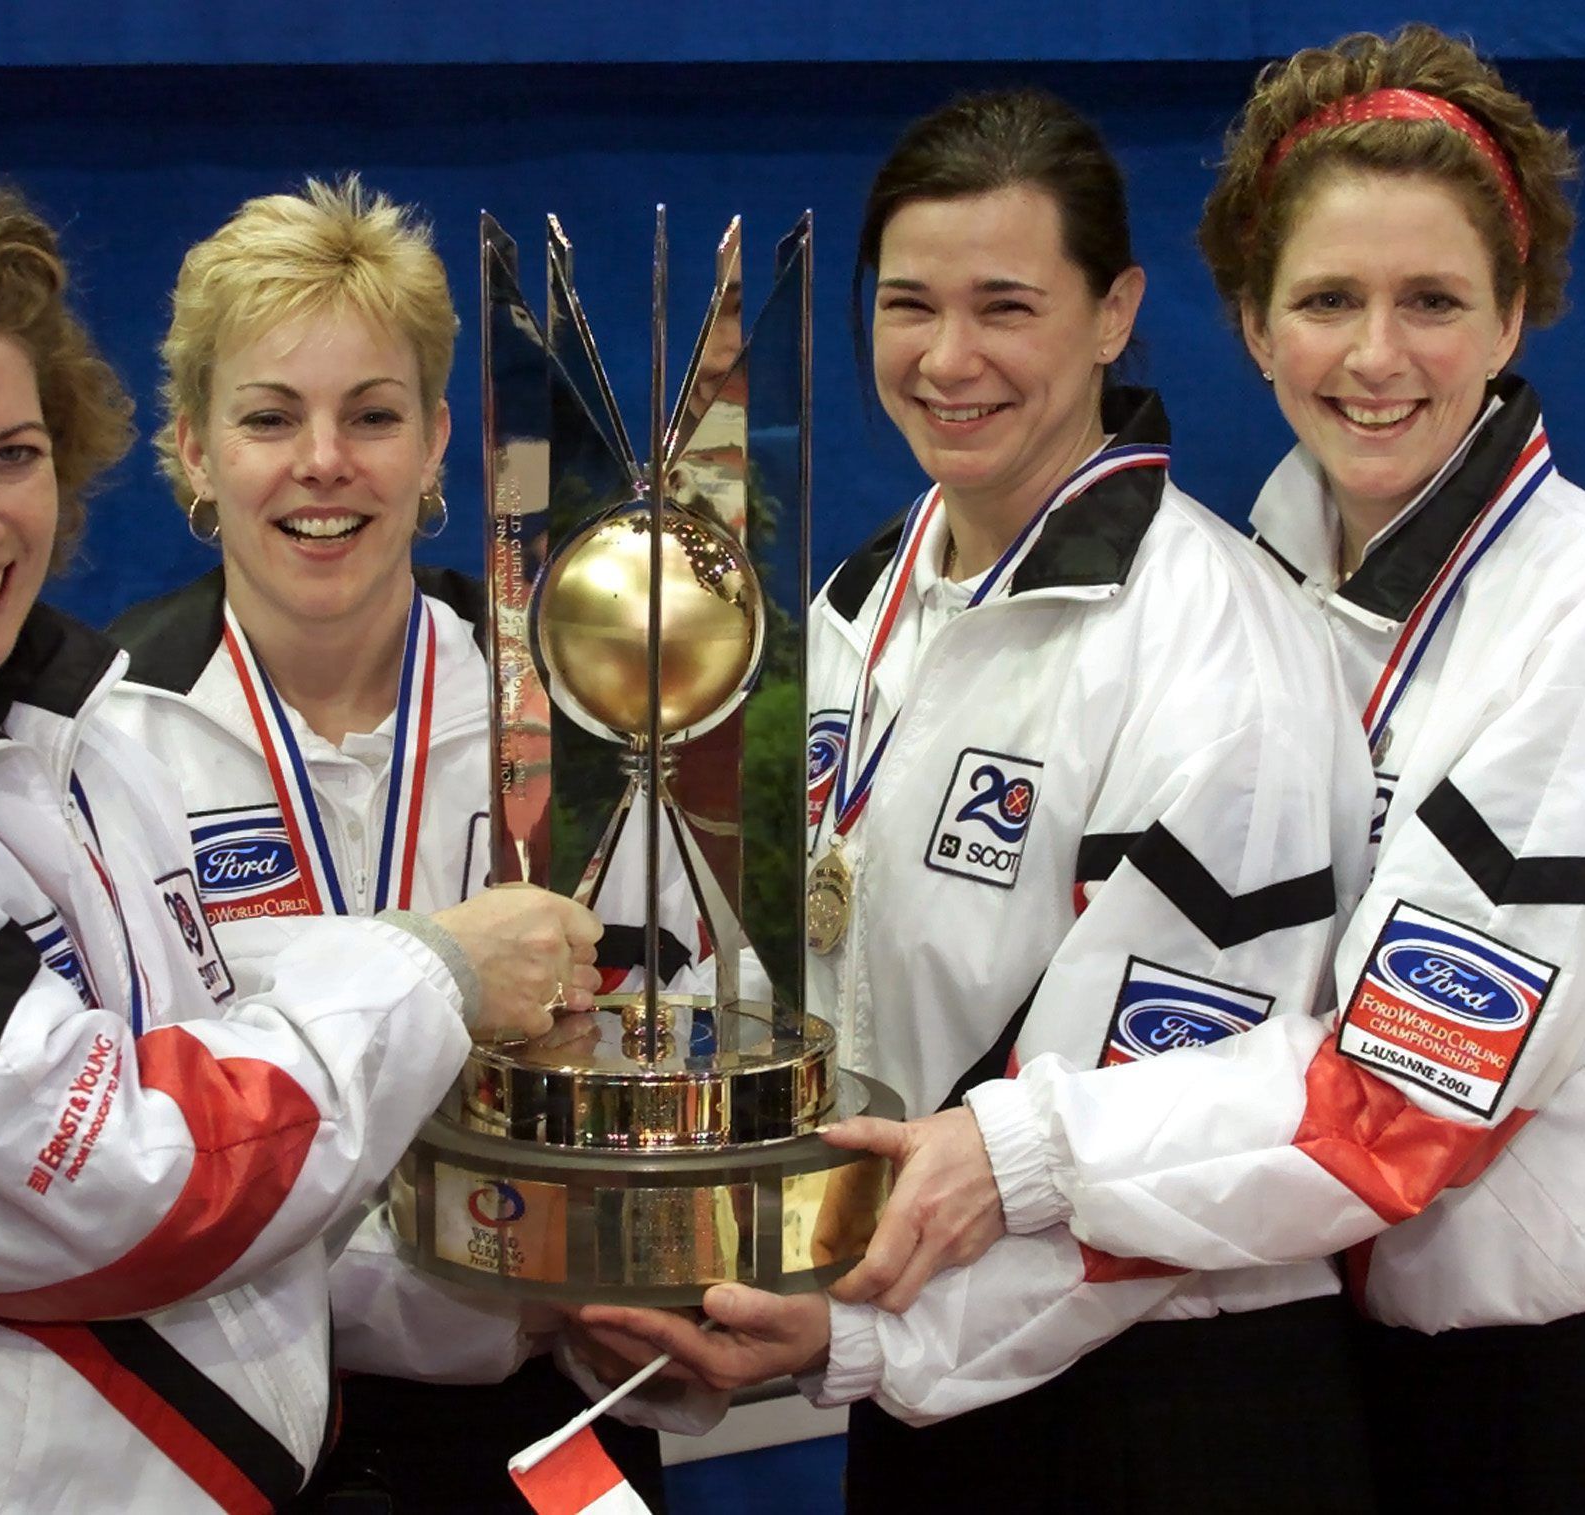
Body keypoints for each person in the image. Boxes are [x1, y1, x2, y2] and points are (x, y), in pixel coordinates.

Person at [0, 156, 601, 1514]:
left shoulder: (40, 738)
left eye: (10, 456)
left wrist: (523, 1299)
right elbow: (135, 1187)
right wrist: (435, 971)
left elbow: (181, 1052)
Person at [747, 29, 1585, 1513]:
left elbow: (1394, 1110)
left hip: (1526, 1395)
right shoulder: (1278, 571)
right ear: (1252, 325)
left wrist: (1009, 1156)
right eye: (1327, 300)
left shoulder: (1574, 621)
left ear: (1518, 315)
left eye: (1434, 302)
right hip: (1277, 1334)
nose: (1376, 355)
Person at [583, 89, 1382, 1513]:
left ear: (1116, 311)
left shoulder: (1213, 639)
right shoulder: (854, 610)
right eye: (910, 306)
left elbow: (1153, 1124)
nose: (950, 360)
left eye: (1007, 306)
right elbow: (789, 981)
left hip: (1168, 1410)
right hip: (931, 1401)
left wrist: (866, 1338)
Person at [100, 177, 682, 1512]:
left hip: (545, 1416)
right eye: (267, 417)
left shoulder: (578, 708)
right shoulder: (102, 738)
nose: (324, 462)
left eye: (373, 415)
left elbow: (666, 1040)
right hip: (219, 1425)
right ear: (189, 447)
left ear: (437, 445)